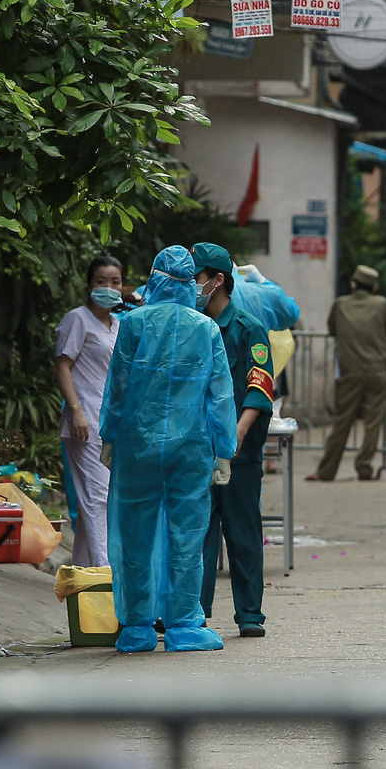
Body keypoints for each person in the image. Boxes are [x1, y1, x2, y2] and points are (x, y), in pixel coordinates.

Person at [97, 245, 236, 653]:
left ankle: (137, 626)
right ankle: (183, 624)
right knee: (187, 535)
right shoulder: (206, 328)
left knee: (134, 534)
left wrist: (109, 436)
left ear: (154, 277)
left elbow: (117, 388)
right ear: (193, 282)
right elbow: (220, 394)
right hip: (190, 447)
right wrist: (223, 449)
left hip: (137, 446)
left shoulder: (133, 324)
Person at [192, 243, 276, 638]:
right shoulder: (193, 326)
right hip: (198, 449)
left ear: (217, 279)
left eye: (197, 276)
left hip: (238, 453)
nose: (192, 284)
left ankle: (249, 614)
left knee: (241, 531)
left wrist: (237, 435)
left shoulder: (247, 328)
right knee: (198, 533)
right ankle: (195, 610)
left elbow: (259, 388)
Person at [55, 255, 122, 569]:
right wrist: (76, 411)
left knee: (96, 499)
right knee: (98, 498)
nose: (108, 288)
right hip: (85, 424)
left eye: (115, 282)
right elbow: (63, 365)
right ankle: (104, 575)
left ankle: (82, 572)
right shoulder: (77, 319)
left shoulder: (118, 325)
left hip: (109, 424)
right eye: (101, 281)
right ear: (89, 285)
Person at [310, 266, 386, 482]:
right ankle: (364, 467)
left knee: (342, 421)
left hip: (350, 370)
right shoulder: (382, 304)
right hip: (377, 370)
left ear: (353, 284)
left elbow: (332, 329)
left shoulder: (340, 305)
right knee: (373, 422)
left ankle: (326, 471)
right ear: (374, 287)